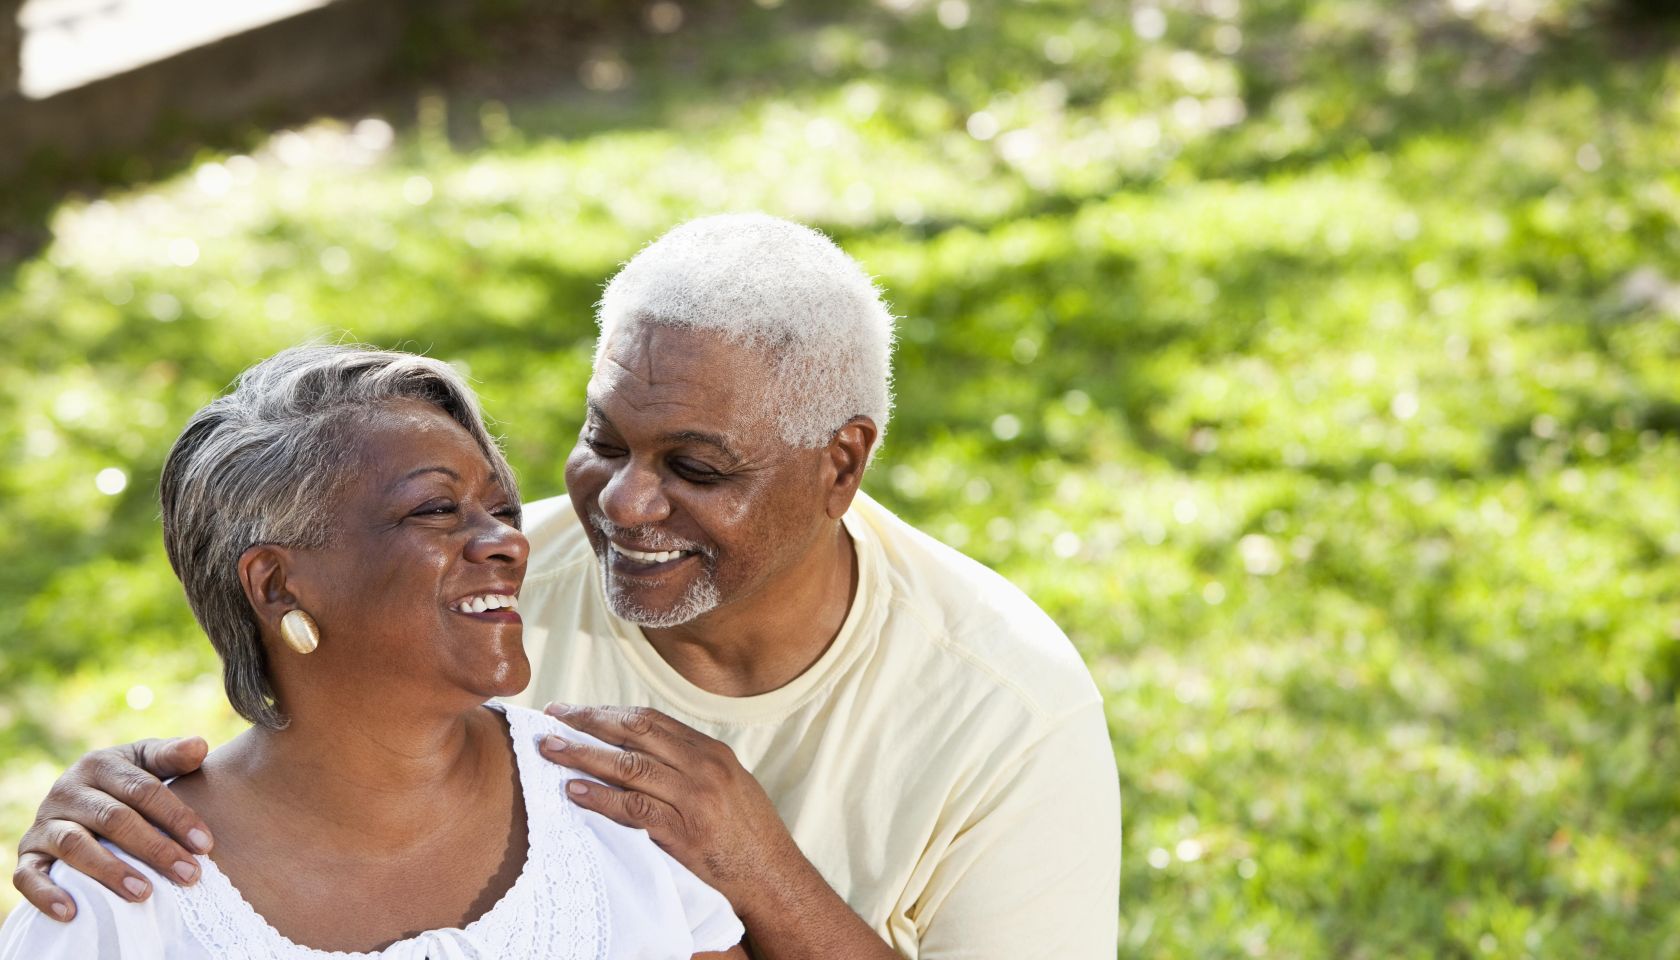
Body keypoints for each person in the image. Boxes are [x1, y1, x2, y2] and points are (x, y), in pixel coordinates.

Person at [12, 214, 1121, 958]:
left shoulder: (1005, 706)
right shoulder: (494, 584)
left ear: (841, 465)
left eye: (695, 468)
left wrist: (759, 871)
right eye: (603, 442)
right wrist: (107, 810)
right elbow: (316, 708)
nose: (621, 509)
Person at [0, 347, 746, 959]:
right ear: (277, 584)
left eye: (502, 509)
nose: (509, 543)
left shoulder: (619, 809)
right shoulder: (117, 891)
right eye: (436, 509)